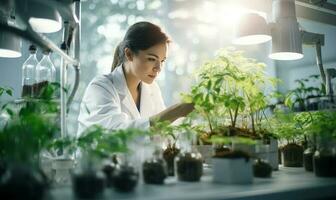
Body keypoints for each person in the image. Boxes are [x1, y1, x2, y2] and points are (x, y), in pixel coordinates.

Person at [77, 21, 194, 136]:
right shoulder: (100, 88)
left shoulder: (152, 89)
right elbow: (117, 135)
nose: (158, 68)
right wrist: (177, 110)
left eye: (162, 61)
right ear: (129, 54)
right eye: (152, 59)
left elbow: (165, 133)